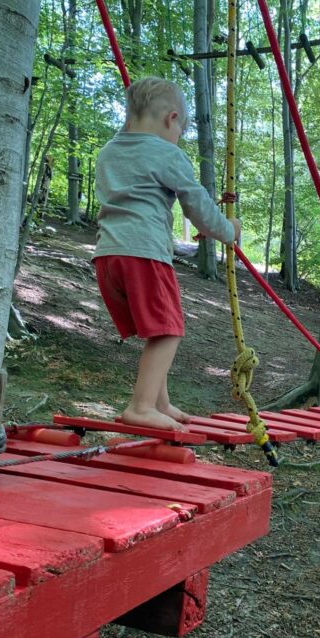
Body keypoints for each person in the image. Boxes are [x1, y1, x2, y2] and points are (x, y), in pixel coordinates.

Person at [93, 77, 240, 430]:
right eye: (181, 130)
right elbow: (198, 208)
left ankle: (160, 402)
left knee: (157, 330)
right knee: (169, 330)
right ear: (171, 118)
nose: (179, 138)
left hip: (108, 257)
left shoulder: (109, 151)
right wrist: (228, 230)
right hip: (144, 254)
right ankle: (141, 406)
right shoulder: (167, 153)